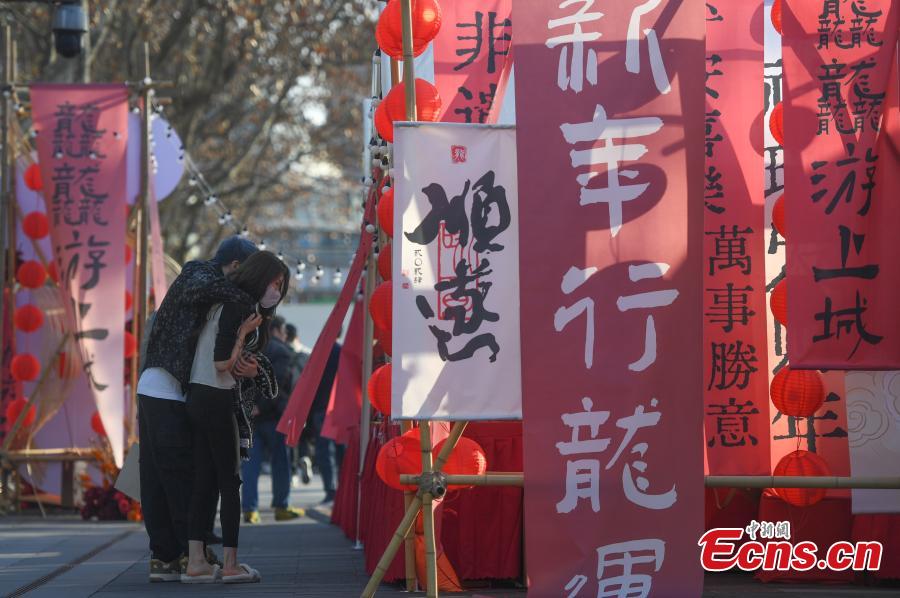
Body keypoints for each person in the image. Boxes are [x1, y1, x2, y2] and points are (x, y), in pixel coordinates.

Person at [137, 236, 259, 582]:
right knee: (179, 477)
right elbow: (222, 295)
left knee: (160, 477)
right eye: (248, 274)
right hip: (168, 390)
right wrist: (251, 299)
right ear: (235, 266)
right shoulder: (198, 274)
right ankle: (188, 554)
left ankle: (167, 556)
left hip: (160, 388)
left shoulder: (201, 281)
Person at [183, 250, 289, 584]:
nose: (277, 291)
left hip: (197, 395)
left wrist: (250, 366)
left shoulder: (222, 301)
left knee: (204, 481)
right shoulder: (239, 306)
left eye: (280, 286)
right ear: (260, 277)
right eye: (275, 283)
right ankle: (230, 563)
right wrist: (243, 335)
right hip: (216, 396)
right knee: (230, 482)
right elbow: (221, 363)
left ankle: (196, 561)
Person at [240, 316, 304, 523]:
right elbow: (276, 384)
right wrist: (261, 406)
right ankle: (281, 506)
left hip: (250, 418)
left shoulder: (247, 349)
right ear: (276, 330)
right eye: (284, 331)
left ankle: (249, 509)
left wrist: (249, 407)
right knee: (280, 463)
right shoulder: (282, 352)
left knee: (250, 464)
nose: (285, 335)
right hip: (274, 417)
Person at [309, 340, 342, 503]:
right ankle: (343, 489)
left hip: (321, 408)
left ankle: (330, 490)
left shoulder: (319, 352)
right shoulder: (343, 351)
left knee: (324, 452)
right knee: (341, 450)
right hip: (340, 408)